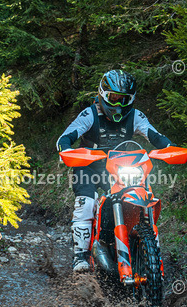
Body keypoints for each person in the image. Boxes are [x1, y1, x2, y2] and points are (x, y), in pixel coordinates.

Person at [56, 69, 174, 273]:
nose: (118, 104)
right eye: (113, 98)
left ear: (131, 99)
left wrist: (169, 148)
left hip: (119, 166)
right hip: (88, 166)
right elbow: (64, 138)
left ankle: (146, 250)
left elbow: (155, 135)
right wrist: (66, 151)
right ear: (103, 94)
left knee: (142, 195)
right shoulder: (90, 114)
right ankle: (80, 256)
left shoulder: (136, 116)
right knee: (87, 202)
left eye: (123, 99)